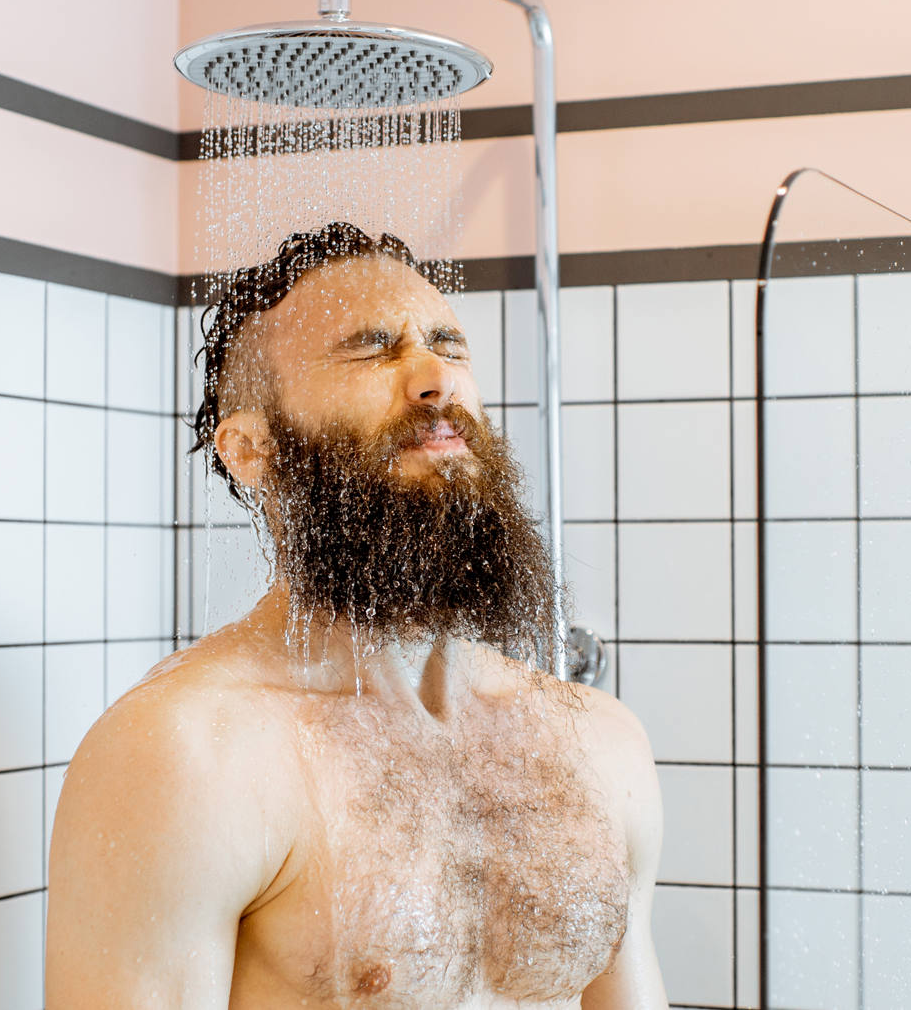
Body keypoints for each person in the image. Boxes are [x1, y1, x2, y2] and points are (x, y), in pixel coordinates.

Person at [46, 223, 668, 1009]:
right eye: (373, 349)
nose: (434, 375)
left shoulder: (599, 742)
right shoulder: (187, 756)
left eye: (449, 343)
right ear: (251, 450)